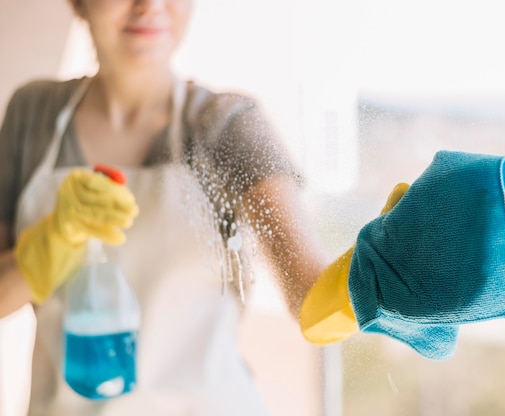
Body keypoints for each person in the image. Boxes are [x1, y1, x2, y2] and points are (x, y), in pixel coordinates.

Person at [0, 0, 332, 414]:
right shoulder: (33, 114)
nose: (150, 6)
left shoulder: (228, 125)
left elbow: (309, 293)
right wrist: (44, 248)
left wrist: (391, 276)